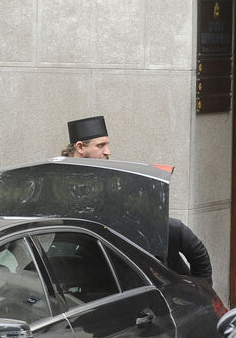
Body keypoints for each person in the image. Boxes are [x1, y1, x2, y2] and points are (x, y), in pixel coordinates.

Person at [61, 116, 212, 281]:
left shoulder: (163, 227)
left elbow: (192, 246)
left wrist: (204, 287)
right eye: (100, 145)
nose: (108, 151)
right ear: (80, 147)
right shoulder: (58, 188)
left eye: (107, 144)